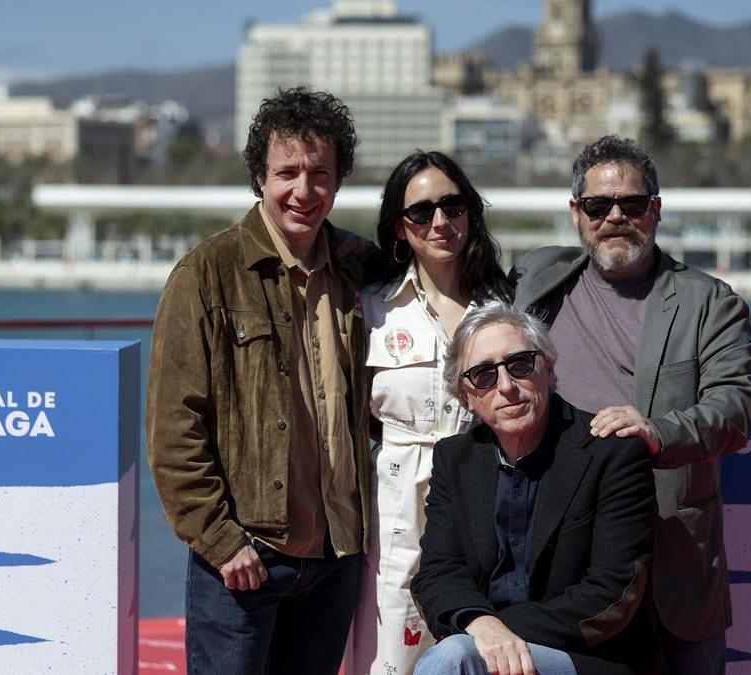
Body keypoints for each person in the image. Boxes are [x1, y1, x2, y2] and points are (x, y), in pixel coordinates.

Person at [510, 135, 751, 674]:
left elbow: (737, 409)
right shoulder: (536, 279)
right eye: (599, 205)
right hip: (562, 567)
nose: (616, 216)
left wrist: (658, 431)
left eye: (633, 204)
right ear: (577, 213)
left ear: (657, 210)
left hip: (671, 569)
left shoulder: (709, 302)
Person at [145, 87, 371, 675]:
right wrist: (221, 541)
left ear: (339, 180)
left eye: (320, 173)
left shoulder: (356, 269)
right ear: (258, 176)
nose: (303, 190)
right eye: (287, 172)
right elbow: (174, 428)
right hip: (245, 558)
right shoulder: (206, 274)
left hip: (336, 554)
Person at [410, 303, 660, 675]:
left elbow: (614, 591)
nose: (507, 386)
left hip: (585, 657)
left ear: (549, 369)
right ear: (466, 395)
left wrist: (499, 633)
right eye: (483, 375)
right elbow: (437, 572)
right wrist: (481, 626)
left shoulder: (613, 452)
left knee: (453, 658)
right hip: (482, 640)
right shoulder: (455, 458)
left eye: (520, 364)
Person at [349, 151, 512, 675]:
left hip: (486, 495)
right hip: (395, 504)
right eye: (421, 212)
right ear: (398, 226)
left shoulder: (507, 306)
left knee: (480, 642)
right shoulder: (368, 308)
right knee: (392, 648)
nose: (440, 222)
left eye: (452, 205)